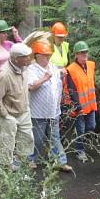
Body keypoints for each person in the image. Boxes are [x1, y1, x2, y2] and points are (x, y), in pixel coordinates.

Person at [26, 33, 73, 172]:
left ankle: (60, 161)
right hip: (39, 112)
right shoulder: (31, 69)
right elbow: (31, 86)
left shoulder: (51, 67)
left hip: (53, 111)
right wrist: (45, 78)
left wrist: (61, 72)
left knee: (55, 137)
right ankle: (31, 159)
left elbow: (57, 74)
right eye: (45, 55)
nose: (48, 57)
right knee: (38, 139)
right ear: (37, 55)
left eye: (49, 55)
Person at [0, 43, 36, 169]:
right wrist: (5, 115)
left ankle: (22, 164)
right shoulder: (4, 75)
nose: (29, 58)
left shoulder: (24, 68)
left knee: (27, 139)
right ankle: (6, 169)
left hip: (24, 111)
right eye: (26, 57)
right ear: (16, 59)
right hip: (9, 114)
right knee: (7, 143)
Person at [64, 40, 98, 162]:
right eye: (82, 53)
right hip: (80, 107)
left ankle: (82, 142)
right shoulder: (71, 70)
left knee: (91, 126)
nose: (85, 54)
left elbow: (92, 83)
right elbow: (71, 89)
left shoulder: (91, 65)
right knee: (81, 130)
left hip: (91, 104)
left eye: (86, 52)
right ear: (76, 54)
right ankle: (80, 151)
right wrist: (77, 106)